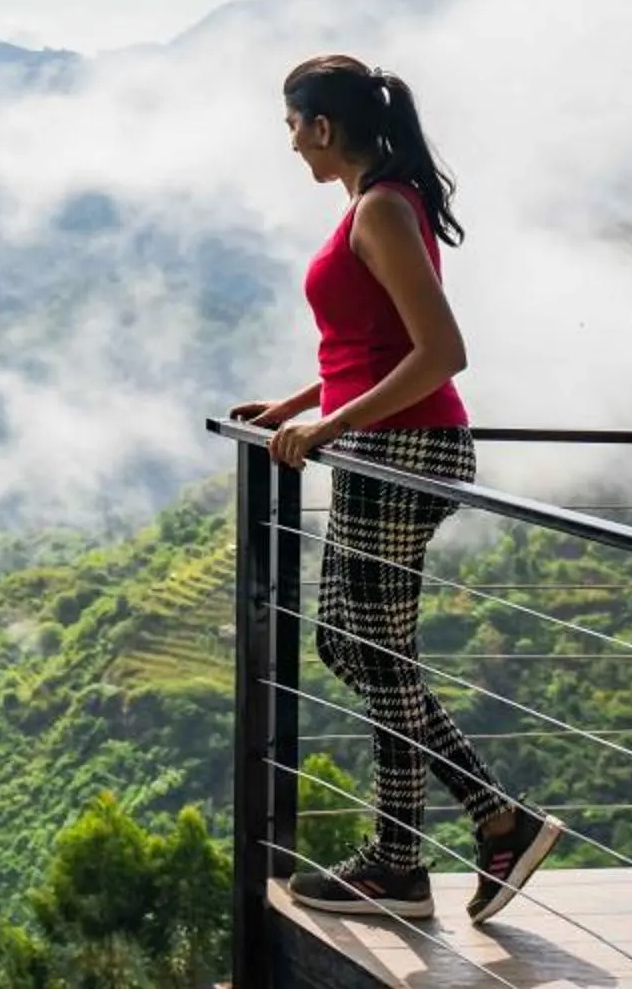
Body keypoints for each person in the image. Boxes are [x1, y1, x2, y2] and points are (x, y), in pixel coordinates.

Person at [230, 54, 562, 925]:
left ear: (325, 127)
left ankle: (401, 863)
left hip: (403, 451)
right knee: (353, 644)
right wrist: (297, 404)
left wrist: (330, 429)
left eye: (293, 126)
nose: (292, 144)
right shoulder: (376, 203)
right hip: (383, 447)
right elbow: (365, 344)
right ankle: (492, 820)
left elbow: (440, 352)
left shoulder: (379, 208)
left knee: (372, 650)